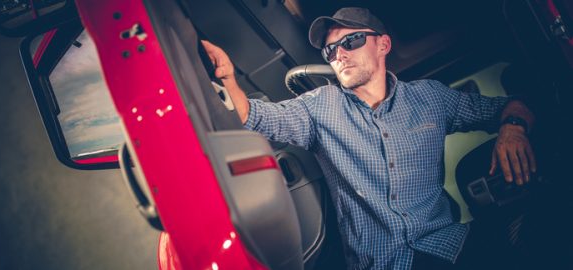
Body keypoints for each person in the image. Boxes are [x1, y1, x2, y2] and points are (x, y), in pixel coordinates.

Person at [203, 7, 536, 270]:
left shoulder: (431, 98)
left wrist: (514, 127)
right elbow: (255, 116)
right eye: (330, 51)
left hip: (451, 246)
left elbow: (511, 105)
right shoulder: (321, 107)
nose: (339, 55)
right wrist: (229, 80)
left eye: (351, 42)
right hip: (382, 263)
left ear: (383, 44)